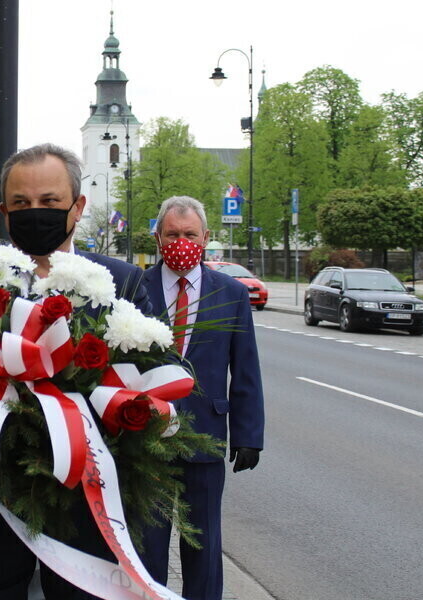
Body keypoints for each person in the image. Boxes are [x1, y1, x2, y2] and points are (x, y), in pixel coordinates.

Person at [0, 143, 151, 600]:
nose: (33, 212)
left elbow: (150, 381)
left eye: (49, 202)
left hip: (87, 504)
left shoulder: (124, 284)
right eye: (21, 204)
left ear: (78, 207)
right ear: (3, 211)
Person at [139, 196, 265, 600]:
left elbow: (244, 369)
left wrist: (249, 435)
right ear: (157, 237)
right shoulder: (133, 288)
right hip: (144, 438)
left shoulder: (230, 293)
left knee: (204, 542)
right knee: (147, 541)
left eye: (190, 234)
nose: (181, 241)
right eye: (172, 234)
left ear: (206, 238)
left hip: (206, 434)